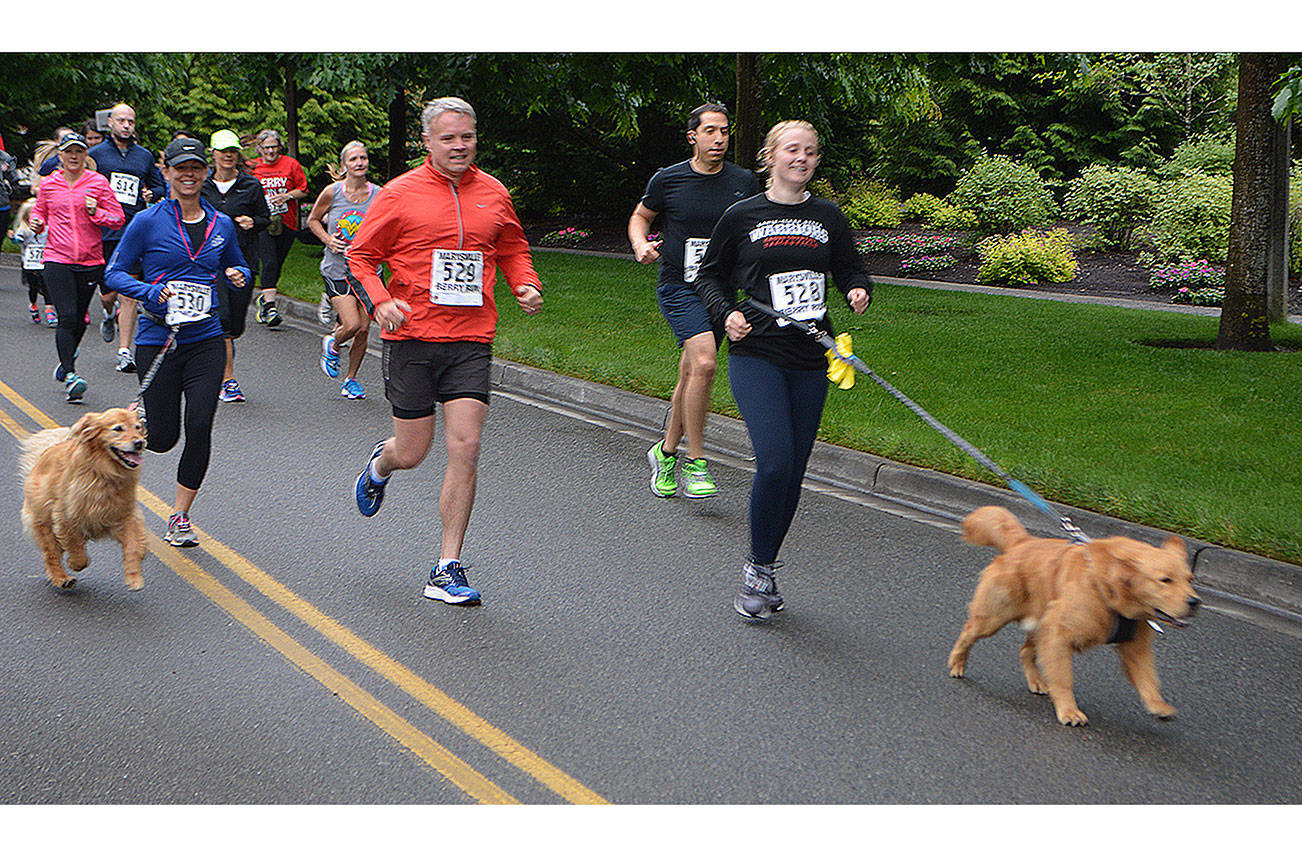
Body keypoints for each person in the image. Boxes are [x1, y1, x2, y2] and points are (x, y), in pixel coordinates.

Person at [346, 97, 542, 606]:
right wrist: (381, 300)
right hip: (412, 337)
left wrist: (524, 283)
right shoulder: (399, 193)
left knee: (467, 447)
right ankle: (380, 466)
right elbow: (361, 256)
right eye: (449, 138)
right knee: (413, 451)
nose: (460, 146)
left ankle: (447, 566)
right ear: (427, 142)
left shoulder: (493, 192)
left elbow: (513, 246)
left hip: (471, 338)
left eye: (467, 137)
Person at [694, 120, 873, 621]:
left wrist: (858, 289)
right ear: (769, 157)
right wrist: (724, 313)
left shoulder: (828, 217)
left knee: (793, 469)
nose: (802, 158)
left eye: (811, 152)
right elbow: (708, 274)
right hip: (757, 352)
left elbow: (850, 268)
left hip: (810, 356)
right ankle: (755, 570)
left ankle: (765, 567)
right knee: (774, 460)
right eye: (792, 150)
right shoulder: (742, 215)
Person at [104, 137, 251, 546]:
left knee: (201, 425)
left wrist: (241, 275)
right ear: (166, 171)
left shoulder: (220, 223)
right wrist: (151, 292)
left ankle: (180, 516)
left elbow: (237, 263)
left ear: (205, 172)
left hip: (205, 338)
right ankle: (148, 424)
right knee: (165, 439)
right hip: (158, 338)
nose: (189, 175)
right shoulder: (148, 221)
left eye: (196, 168)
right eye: (180, 168)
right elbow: (114, 274)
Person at [628, 102, 758, 499]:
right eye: (711, 131)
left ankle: (665, 452)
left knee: (690, 374)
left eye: (724, 132)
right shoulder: (669, 180)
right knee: (705, 362)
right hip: (679, 286)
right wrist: (639, 244)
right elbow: (640, 215)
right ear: (693, 137)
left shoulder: (743, 182)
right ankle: (696, 462)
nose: (719, 139)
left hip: (719, 290)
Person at [29, 132, 125, 402]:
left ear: (86, 156)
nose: (74, 156)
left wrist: (97, 213)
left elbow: (117, 218)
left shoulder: (98, 183)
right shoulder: (50, 184)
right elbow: (40, 212)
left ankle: (66, 355)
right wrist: (37, 222)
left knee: (80, 318)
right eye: (69, 151)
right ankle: (71, 375)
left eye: (79, 151)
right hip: (56, 258)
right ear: (60, 156)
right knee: (68, 317)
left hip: (90, 260)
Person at [89, 103, 167, 374]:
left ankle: (124, 351)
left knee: (129, 291)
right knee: (108, 293)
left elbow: (159, 186)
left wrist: (151, 194)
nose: (126, 125)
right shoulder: (96, 155)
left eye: (130, 121)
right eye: (121, 120)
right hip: (103, 231)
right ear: (109, 123)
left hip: (132, 230)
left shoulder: (143, 156)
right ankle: (109, 313)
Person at [200, 128, 271, 403]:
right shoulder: (203, 187)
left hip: (243, 261)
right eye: (223, 151)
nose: (228, 156)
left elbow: (265, 217)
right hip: (211, 263)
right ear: (214, 154)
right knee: (223, 320)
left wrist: (254, 222)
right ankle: (228, 381)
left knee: (236, 326)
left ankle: (221, 358)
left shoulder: (250, 186)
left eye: (233, 151)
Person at [308, 140, 377, 399]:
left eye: (363, 158)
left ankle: (351, 380)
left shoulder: (378, 194)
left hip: (369, 271)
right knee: (351, 324)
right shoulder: (332, 192)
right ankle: (333, 342)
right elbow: (313, 220)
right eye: (353, 159)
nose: (359, 163)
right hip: (337, 269)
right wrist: (328, 240)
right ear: (344, 165)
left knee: (363, 330)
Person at [248, 128, 308, 328]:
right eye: (266, 148)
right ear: (259, 149)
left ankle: (264, 300)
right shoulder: (252, 167)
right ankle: (271, 307)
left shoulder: (291, 164)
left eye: (274, 147)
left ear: (280, 147)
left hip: (287, 221)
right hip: (263, 222)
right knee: (270, 262)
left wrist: (287, 196)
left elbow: (303, 190)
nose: (271, 151)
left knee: (278, 263)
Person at [10, 198, 51, 324]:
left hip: (43, 261)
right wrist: (13, 238)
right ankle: (33, 305)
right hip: (29, 263)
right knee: (33, 287)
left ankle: (49, 310)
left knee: (46, 286)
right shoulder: (24, 230)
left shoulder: (47, 229)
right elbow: (18, 240)